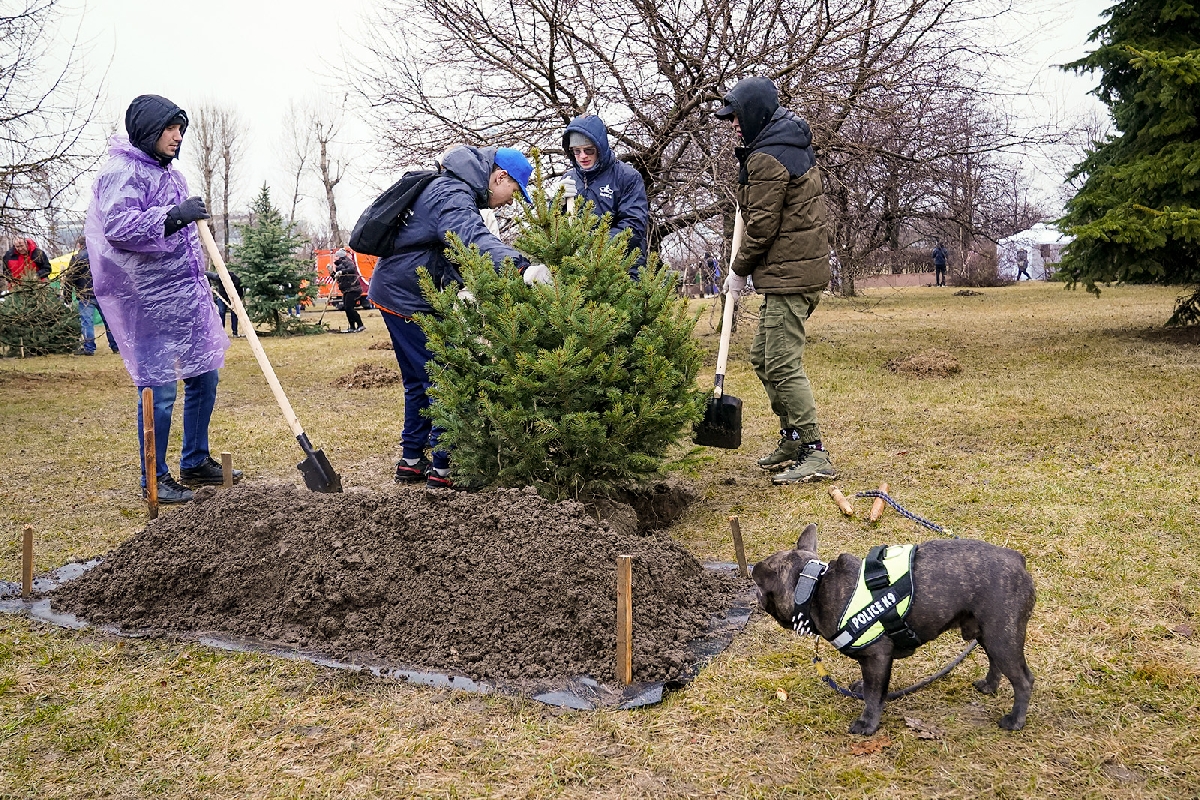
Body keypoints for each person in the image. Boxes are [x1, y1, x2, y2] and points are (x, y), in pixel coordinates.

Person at [85, 94, 242, 504]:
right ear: (150, 131)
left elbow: (181, 237)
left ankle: (195, 460)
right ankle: (154, 476)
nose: (178, 137)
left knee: (205, 374)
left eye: (180, 129)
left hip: (183, 293)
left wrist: (195, 268)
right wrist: (173, 217)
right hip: (145, 300)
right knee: (160, 388)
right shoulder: (122, 172)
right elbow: (118, 228)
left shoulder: (171, 174)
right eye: (171, 129)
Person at [368, 145, 546, 490]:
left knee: (420, 379)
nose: (512, 201)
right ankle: (444, 467)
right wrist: (521, 267)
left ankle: (411, 461)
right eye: (514, 192)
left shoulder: (451, 187)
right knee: (444, 377)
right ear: (500, 177)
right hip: (409, 295)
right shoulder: (453, 192)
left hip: (399, 290)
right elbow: (472, 239)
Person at [715, 76, 837, 485]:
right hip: (793, 272)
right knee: (763, 358)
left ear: (754, 113)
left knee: (782, 363)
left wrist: (737, 270)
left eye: (735, 117)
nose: (732, 124)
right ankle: (793, 437)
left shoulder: (767, 157)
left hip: (790, 275)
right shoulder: (784, 144)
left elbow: (762, 226)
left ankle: (814, 451)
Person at [549, 115, 650, 279]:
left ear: (600, 147)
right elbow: (552, 227)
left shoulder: (627, 177)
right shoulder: (568, 179)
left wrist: (591, 246)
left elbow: (633, 226)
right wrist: (556, 203)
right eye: (577, 151)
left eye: (589, 150)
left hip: (622, 272)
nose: (583, 156)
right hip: (579, 275)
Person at [60, 237, 119, 355]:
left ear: (79, 245)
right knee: (109, 321)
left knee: (87, 322)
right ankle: (116, 346)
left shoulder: (77, 258)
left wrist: (67, 297)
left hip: (85, 295)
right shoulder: (101, 255)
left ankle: (89, 348)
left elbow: (69, 278)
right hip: (103, 294)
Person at [330, 249, 365, 332]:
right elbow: (337, 278)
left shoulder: (347, 262)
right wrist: (331, 272)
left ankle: (360, 324)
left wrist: (341, 272)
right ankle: (352, 326)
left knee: (349, 308)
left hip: (353, 289)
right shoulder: (339, 266)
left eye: (337, 256)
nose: (335, 257)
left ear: (341, 256)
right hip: (346, 290)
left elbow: (351, 270)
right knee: (346, 308)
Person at [206, 267, 244, 336]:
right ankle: (221, 332)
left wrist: (238, 300)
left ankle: (235, 332)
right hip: (222, 296)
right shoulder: (219, 277)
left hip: (233, 297)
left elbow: (240, 292)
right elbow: (206, 274)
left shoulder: (236, 281)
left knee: (234, 313)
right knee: (221, 312)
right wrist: (209, 286)